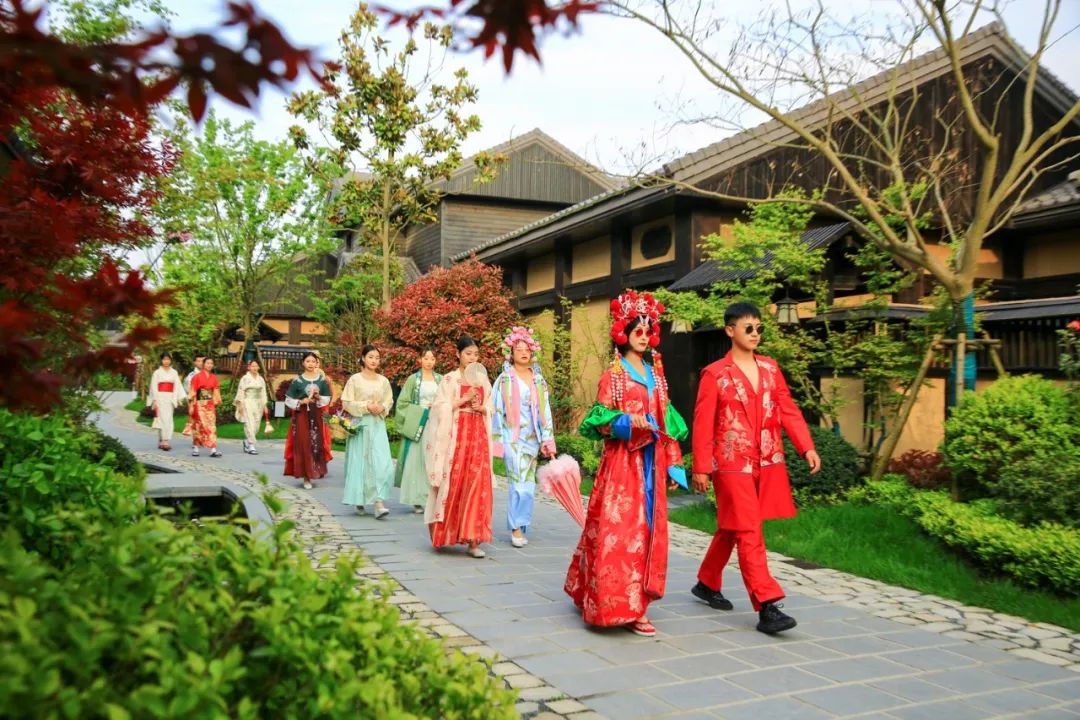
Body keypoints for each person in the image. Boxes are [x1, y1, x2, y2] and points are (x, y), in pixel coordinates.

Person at [689, 301, 822, 635]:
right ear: (730, 330)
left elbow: (788, 410)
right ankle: (767, 605)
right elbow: (703, 423)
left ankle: (707, 581)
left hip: (767, 460)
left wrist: (806, 446)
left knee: (733, 526)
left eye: (759, 328)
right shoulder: (715, 374)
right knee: (749, 529)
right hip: (731, 464)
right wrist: (701, 467)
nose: (755, 333)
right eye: (748, 327)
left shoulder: (770, 369)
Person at [565, 290, 688, 637]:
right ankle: (609, 604)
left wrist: (673, 464)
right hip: (622, 464)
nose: (644, 337)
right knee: (618, 533)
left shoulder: (656, 375)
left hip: (652, 462)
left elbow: (667, 421)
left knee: (647, 532)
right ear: (625, 333)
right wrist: (625, 421)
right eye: (638, 331)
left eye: (648, 331)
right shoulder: (614, 375)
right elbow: (597, 420)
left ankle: (637, 606)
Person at [424, 336, 494, 558]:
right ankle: (446, 534)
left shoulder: (483, 379)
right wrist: (463, 400)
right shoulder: (449, 379)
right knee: (455, 482)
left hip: (478, 438)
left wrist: (482, 408)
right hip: (455, 438)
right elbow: (438, 408)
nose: (472, 358)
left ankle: (473, 540)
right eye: (468, 353)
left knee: (477, 484)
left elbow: (492, 407)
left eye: (476, 354)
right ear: (458, 354)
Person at [492, 326, 556, 548]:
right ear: (511, 353)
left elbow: (545, 411)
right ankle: (516, 528)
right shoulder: (504, 379)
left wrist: (548, 439)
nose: (523, 352)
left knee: (528, 486)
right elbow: (496, 410)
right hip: (512, 437)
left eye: (527, 349)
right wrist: (497, 441)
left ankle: (521, 523)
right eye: (518, 349)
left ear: (532, 352)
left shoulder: (538, 380)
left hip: (532, 438)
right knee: (517, 484)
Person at [341, 344, 395, 518]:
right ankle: (360, 498)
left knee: (382, 463)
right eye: (371, 357)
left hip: (377, 425)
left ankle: (379, 503)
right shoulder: (355, 379)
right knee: (361, 462)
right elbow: (346, 403)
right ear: (363, 358)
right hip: (360, 425)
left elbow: (389, 401)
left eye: (377, 358)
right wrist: (366, 406)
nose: (374, 361)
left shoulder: (383, 381)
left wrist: (382, 407)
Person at [394, 346, 442, 513]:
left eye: (432, 359)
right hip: (418, 423)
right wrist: (421, 410)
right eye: (426, 358)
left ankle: (432, 497)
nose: (429, 362)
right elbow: (402, 403)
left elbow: (446, 400)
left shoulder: (441, 379)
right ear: (420, 359)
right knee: (417, 460)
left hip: (435, 423)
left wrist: (437, 406)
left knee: (433, 460)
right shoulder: (413, 380)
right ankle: (417, 499)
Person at [284, 351, 333, 489]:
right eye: (308, 361)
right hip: (301, 415)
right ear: (303, 363)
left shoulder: (322, 381)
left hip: (316, 415)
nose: (311, 364)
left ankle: (315, 471)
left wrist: (318, 397)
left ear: (317, 363)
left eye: (313, 361)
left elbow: (327, 399)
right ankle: (306, 476)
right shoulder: (297, 381)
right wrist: (301, 401)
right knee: (303, 444)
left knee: (316, 443)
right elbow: (288, 400)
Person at [147, 351, 186, 451]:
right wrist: (154, 399)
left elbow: (177, 385)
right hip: (160, 397)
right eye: (164, 359)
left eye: (168, 359)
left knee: (168, 419)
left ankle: (164, 440)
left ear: (170, 360)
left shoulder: (174, 372)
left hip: (170, 398)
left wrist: (178, 398)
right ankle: (164, 440)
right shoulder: (157, 372)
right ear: (161, 360)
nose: (166, 361)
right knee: (161, 418)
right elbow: (153, 386)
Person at [188, 356, 222, 458]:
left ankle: (213, 449)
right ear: (203, 364)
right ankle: (196, 448)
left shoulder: (214, 377)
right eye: (207, 363)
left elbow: (216, 390)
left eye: (211, 363)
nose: (209, 365)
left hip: (210, 404)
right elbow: (192, 391)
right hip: (199, 404)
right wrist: (191, 405)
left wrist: (216, 400)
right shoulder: (196, 377)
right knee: (198, 425)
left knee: (211, 426)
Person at [233, 359, 269, 455]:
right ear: (249, 367)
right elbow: (241, 391)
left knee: (256, 423)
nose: (254, 368)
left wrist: (265, 404)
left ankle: (247, 442)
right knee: (249, 423)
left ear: (259, 367)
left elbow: (263, 392)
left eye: (256, 366)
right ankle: (251, 445)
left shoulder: (261, 379)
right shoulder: (245, 378)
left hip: (258, 403)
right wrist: (240, 405)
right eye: (252, 366)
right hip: (247, 402)